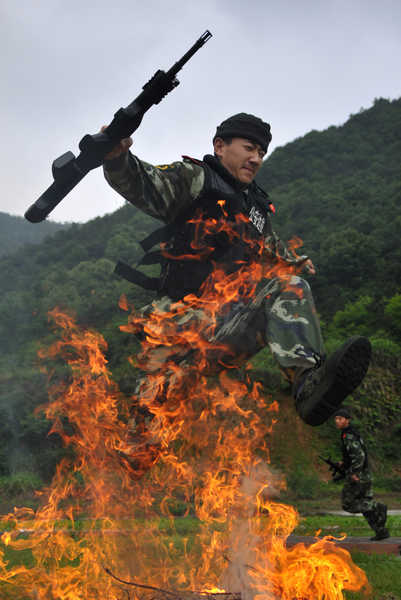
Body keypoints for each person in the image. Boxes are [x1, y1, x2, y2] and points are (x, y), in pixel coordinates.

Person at [102, 112, 371, 440]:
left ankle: (307, 385)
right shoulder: (196, 179)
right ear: (220, 146)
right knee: (141, 446)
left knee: (291, 287)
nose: (256, 158)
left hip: (226, 330)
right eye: (249, 148)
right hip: (177, 338)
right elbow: (144, 183)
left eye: (261, 153)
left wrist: (293, 261)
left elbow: (268, 247)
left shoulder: (256, 208)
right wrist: (118, 158)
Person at [333, 407, 389, 541]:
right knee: (364, 503)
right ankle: (381, 531)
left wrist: (353, 472)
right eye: (336, 419)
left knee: (348, 503)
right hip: (365, 475)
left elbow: (359, 456)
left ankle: (377, 506)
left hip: (358, 476)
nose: (337, 421)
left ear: (347, 420)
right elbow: (354, 455)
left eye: (340, 419)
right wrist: (344, 463)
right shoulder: (351, 433)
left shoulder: (349, 435)